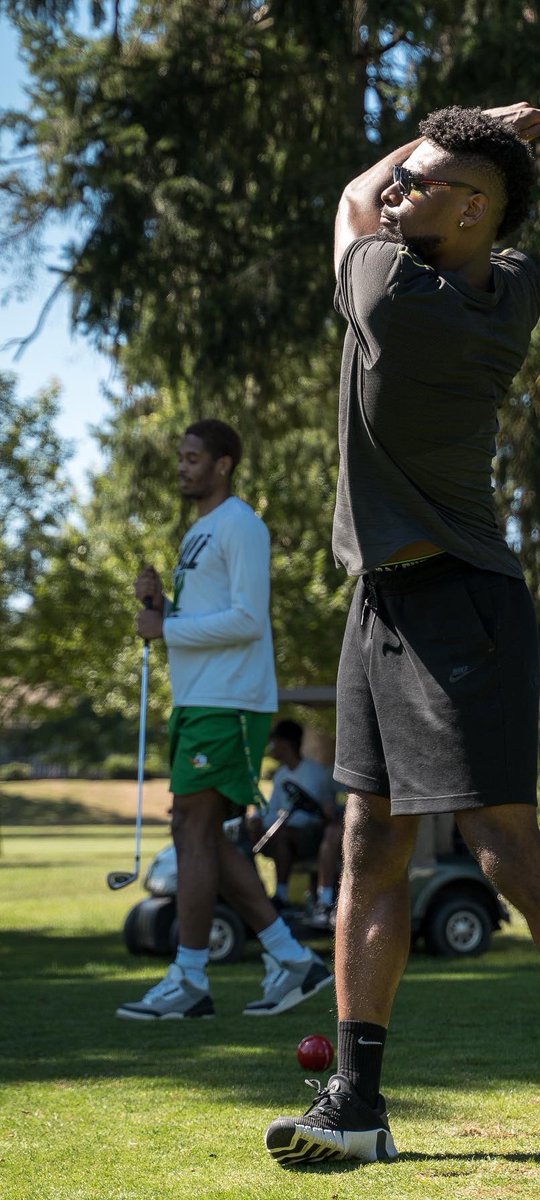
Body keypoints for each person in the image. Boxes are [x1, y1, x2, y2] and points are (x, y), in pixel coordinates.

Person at [264, 106, 540, 1177]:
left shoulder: (391, 294)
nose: (394, 192)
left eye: (419, 183)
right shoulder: (505, 281)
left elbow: (346, 195)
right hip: (378, 601)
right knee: (369, 845)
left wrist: (463, 124)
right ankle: (360, 1102)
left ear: (468, 212)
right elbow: (445, 203)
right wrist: (479, 143)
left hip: (459, 605)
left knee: (504, 853)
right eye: (406, 179)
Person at [116, 418, 332, 1020]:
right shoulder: (198, 534)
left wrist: (168, 627)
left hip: (231, 701)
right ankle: (291, 959)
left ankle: (188, 978)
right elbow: (200, 618)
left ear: (224, 464)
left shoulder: (242, 525)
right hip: (196, 699)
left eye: (192, 457)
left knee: (193, 827)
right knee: (199, 832)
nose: (182, 466)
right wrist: (160, 605)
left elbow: (247, 620)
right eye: (180, 457)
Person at [252, 719, 343, 924]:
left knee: (284, 834)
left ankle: (282, 895)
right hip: (289, 833)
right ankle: (258, 895)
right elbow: (273, 808)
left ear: (285, 744)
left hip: (314, 836)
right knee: (256, 836)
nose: (271, 748)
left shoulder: (314, 773)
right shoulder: (281, 774)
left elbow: (320, 813)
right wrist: (258, 820)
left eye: (274, 742)